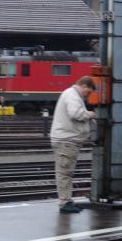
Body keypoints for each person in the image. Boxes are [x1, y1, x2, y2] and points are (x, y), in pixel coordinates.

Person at [50, 76, 96, 213]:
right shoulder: (72, 95)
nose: (87, 95)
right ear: (84, 86)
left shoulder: (72, 94)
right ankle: (64, 203)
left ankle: (67, 201)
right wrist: (89, 114)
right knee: (64, 173)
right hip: (66, 141)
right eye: (88, 92)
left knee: (66, 172)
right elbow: (75, 113)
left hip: (68, 140)